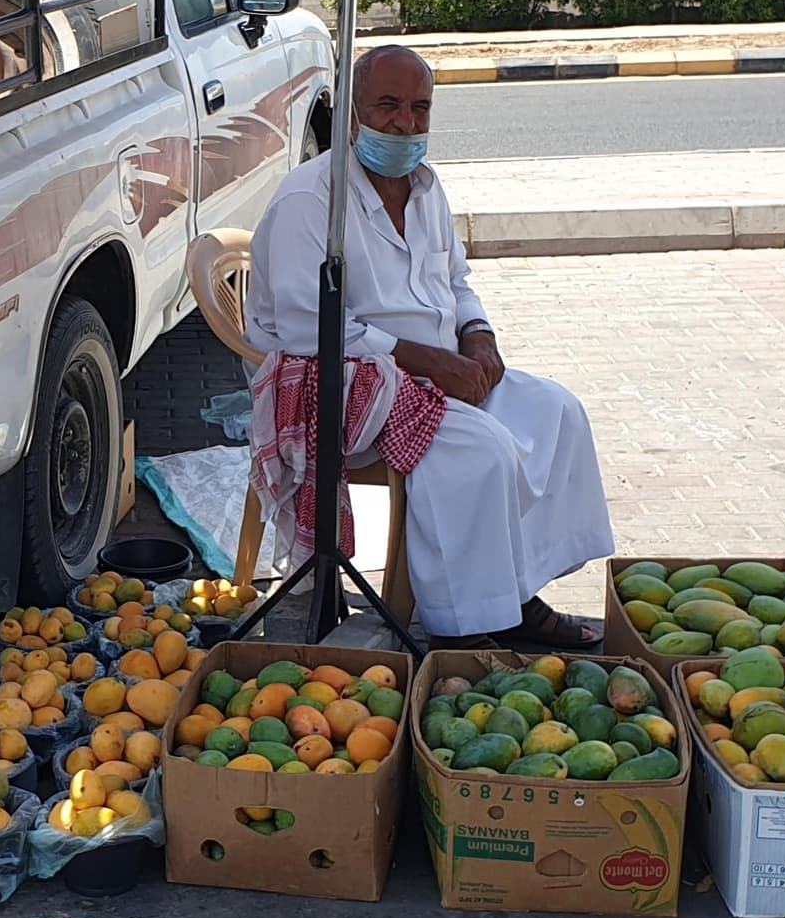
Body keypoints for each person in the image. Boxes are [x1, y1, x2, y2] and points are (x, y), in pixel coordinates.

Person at [245, 45, 615, 650]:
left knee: (558, 411)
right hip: (352, 381)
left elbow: (457, 280)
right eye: (387, 106)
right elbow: (307, 329)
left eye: (420, 108)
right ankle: (469, 622)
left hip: (439, 365)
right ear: (351, 115)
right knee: (485, 449)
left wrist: (479, 338)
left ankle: (517, 590)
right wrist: (425, 361)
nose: (405, 124)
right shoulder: (311, 201)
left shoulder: (425, 187)